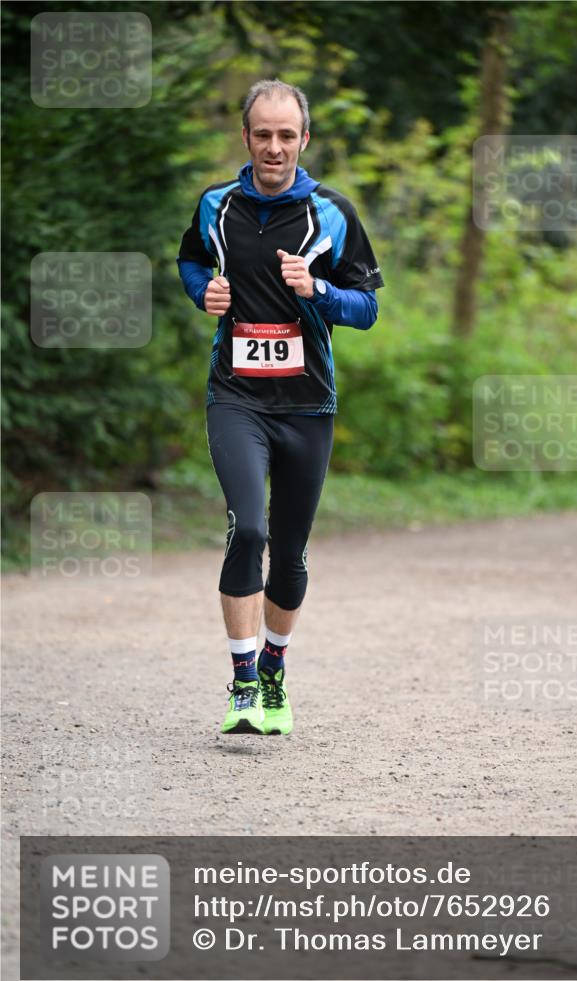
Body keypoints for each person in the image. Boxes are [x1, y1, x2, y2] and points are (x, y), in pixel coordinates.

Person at [177, 79, 383, 736]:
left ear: (304, 138)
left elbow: (368, 308)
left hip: (306, 404)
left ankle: (273, 667)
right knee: (249, 531)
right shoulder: (216, 205)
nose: (273, 147)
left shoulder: (333, 213)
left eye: (285, 135)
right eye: (262, 134)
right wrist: (201, 293)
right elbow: (187, 262)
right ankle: (241, 684)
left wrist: (317, 289)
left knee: (289, 553)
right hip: (234, 395)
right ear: (245, 137)